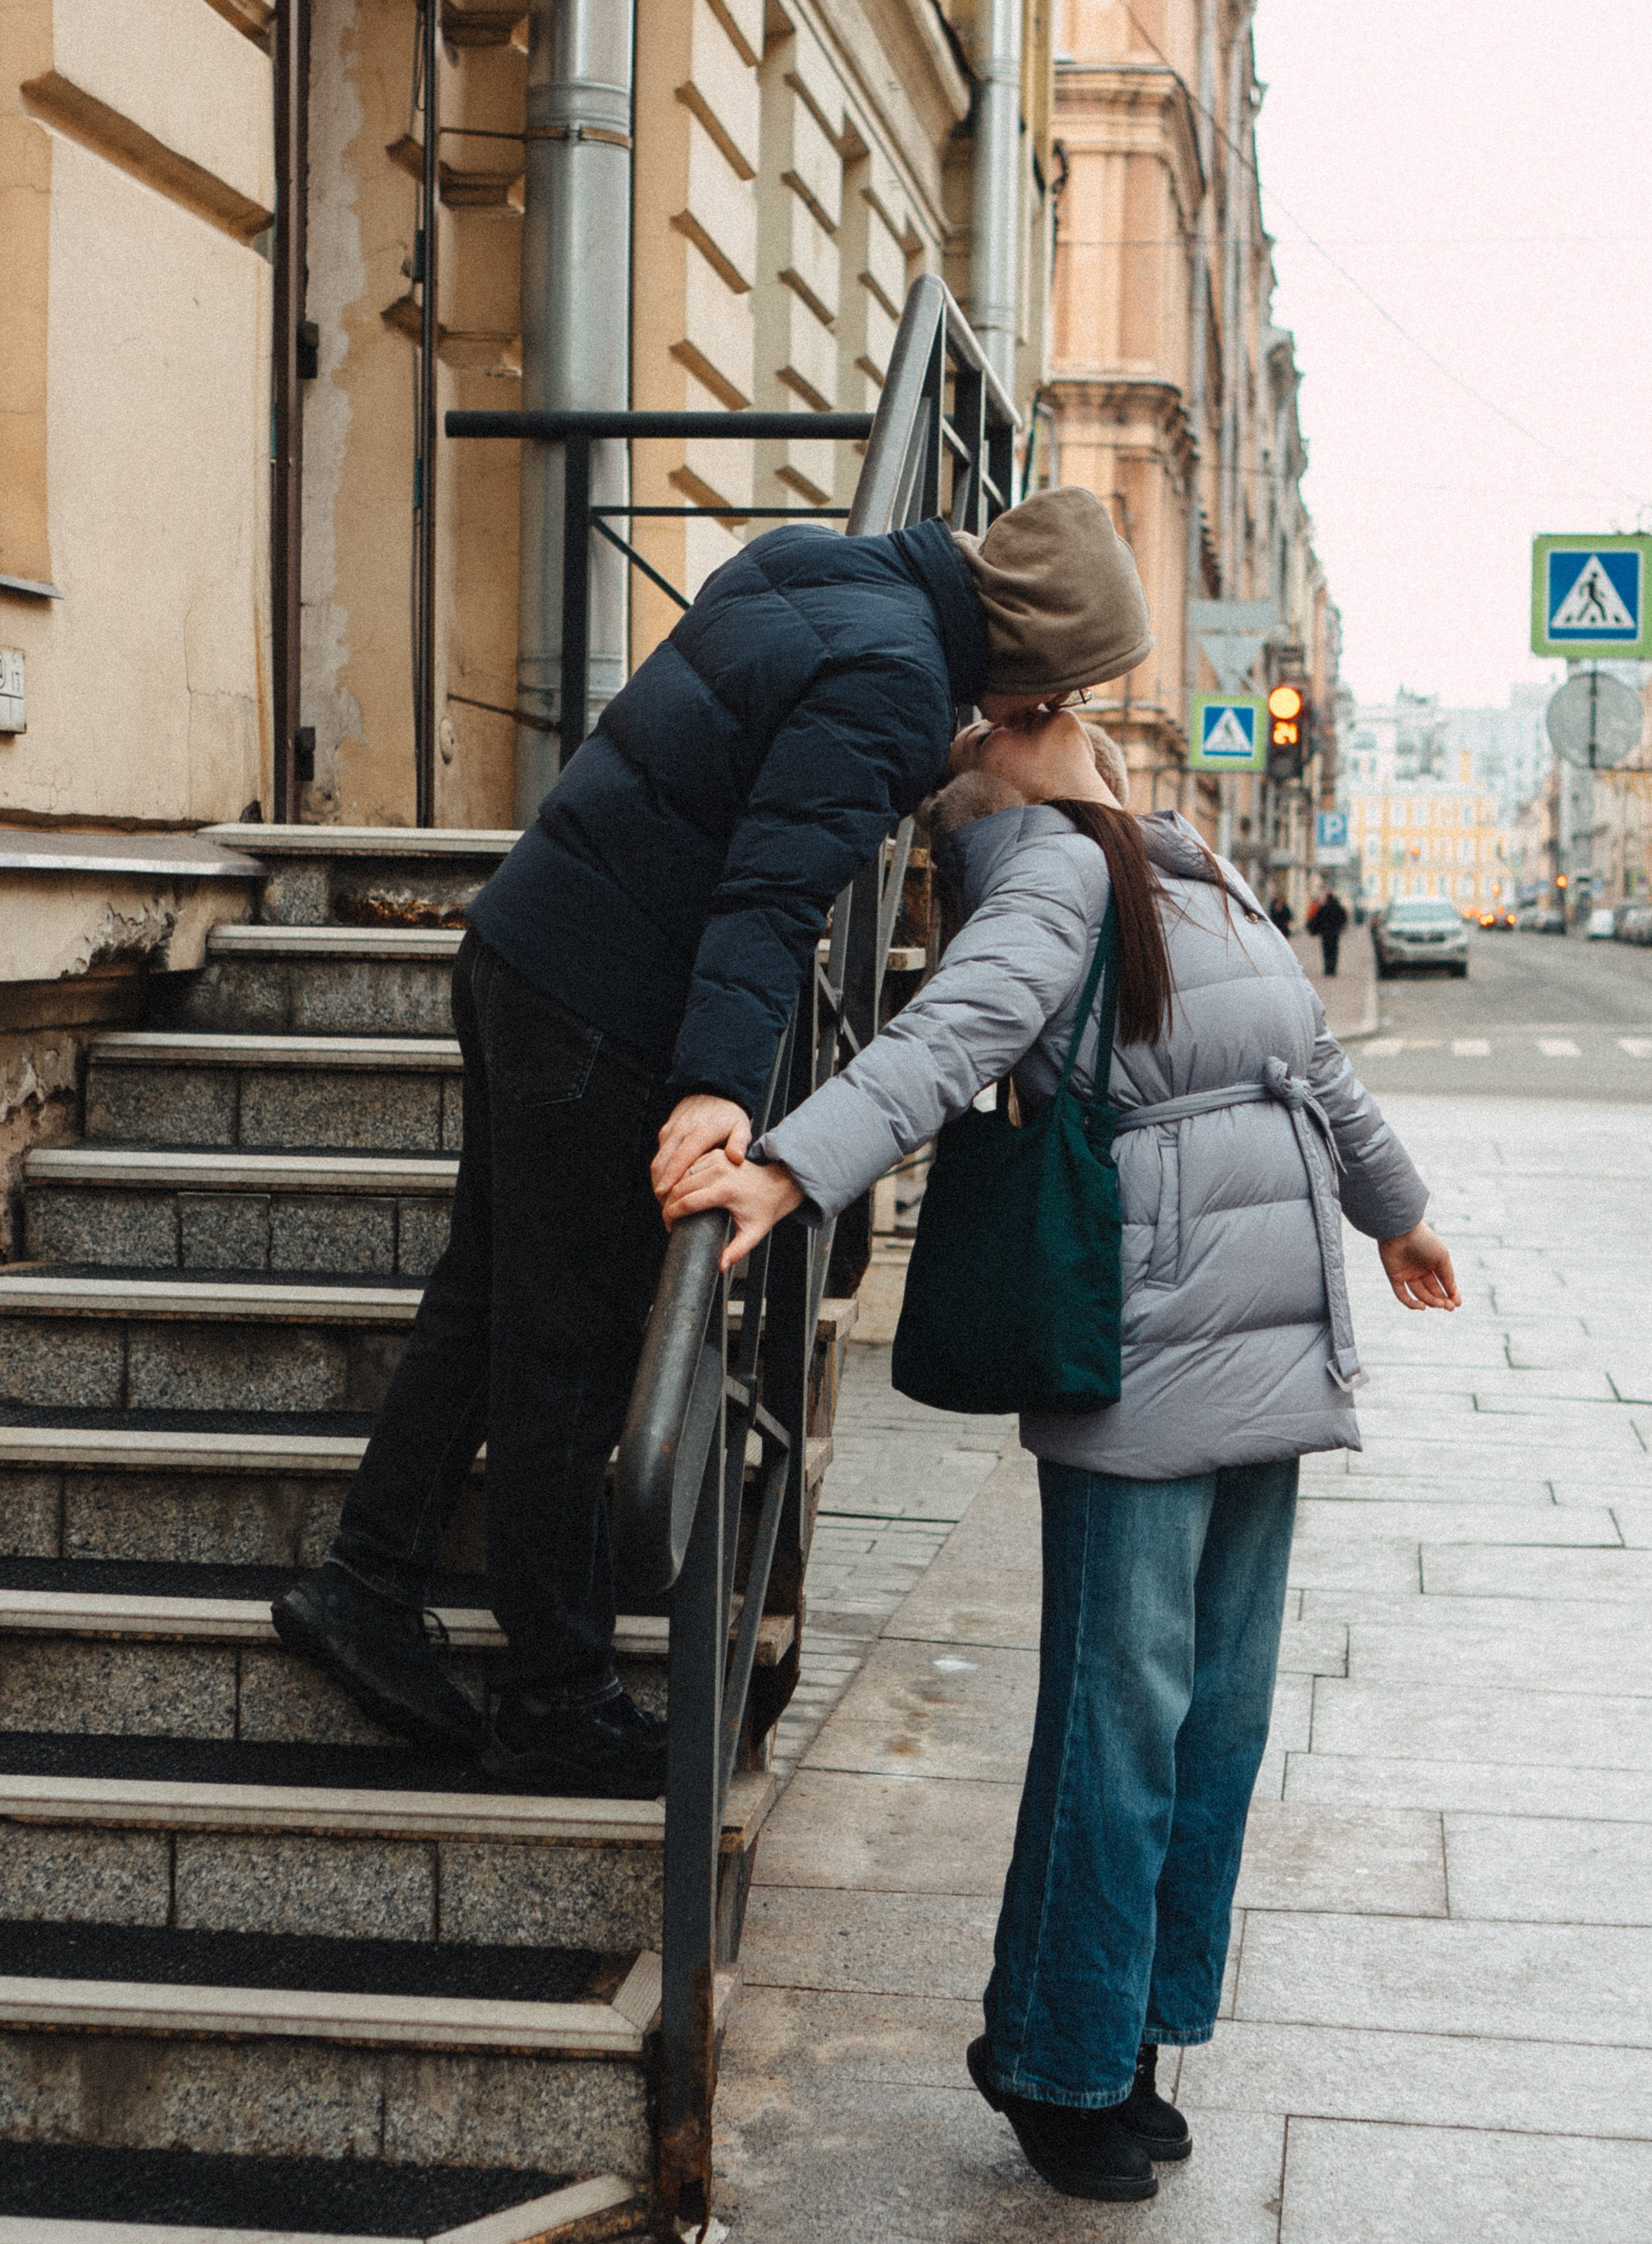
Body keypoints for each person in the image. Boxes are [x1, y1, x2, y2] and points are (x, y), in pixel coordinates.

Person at [664, 709, 1456, 2204]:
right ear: (1012, 745)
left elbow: (1315, 1063)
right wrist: (791, 1167)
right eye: (1018, 710)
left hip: (1273, 1348)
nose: (1063, 717)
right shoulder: (1046, 875)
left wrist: (1392, 1208)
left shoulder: (1179, 859)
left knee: (1210, 1726)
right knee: (1121, 1725)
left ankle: (1128, 2037)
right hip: (1143, 1349)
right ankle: (1048, 2055)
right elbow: (944, 1038)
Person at [273, 490, 1154, 1795]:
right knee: (569, 1361)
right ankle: (557, 1699)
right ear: (1034, 658)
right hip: (606, 1009)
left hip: (525, 941)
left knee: (481, 1299)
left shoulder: (821, 566)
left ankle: (367, 1583)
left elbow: (746, 770)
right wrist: (716, 1087)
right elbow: (770, 891)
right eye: (1064, 685)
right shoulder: (899, 683)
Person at [1311, 884, 1348, 977]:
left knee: (1326, 951)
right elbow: (1344, 918)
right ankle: (1333, 970)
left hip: (1325, 933)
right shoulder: (1338, 907)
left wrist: (1316, 930)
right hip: (1335, 933)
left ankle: (1327, 969)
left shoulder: (1323, 908)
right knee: (1334, 951)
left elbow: (1317, 919)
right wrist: (1341, 927)